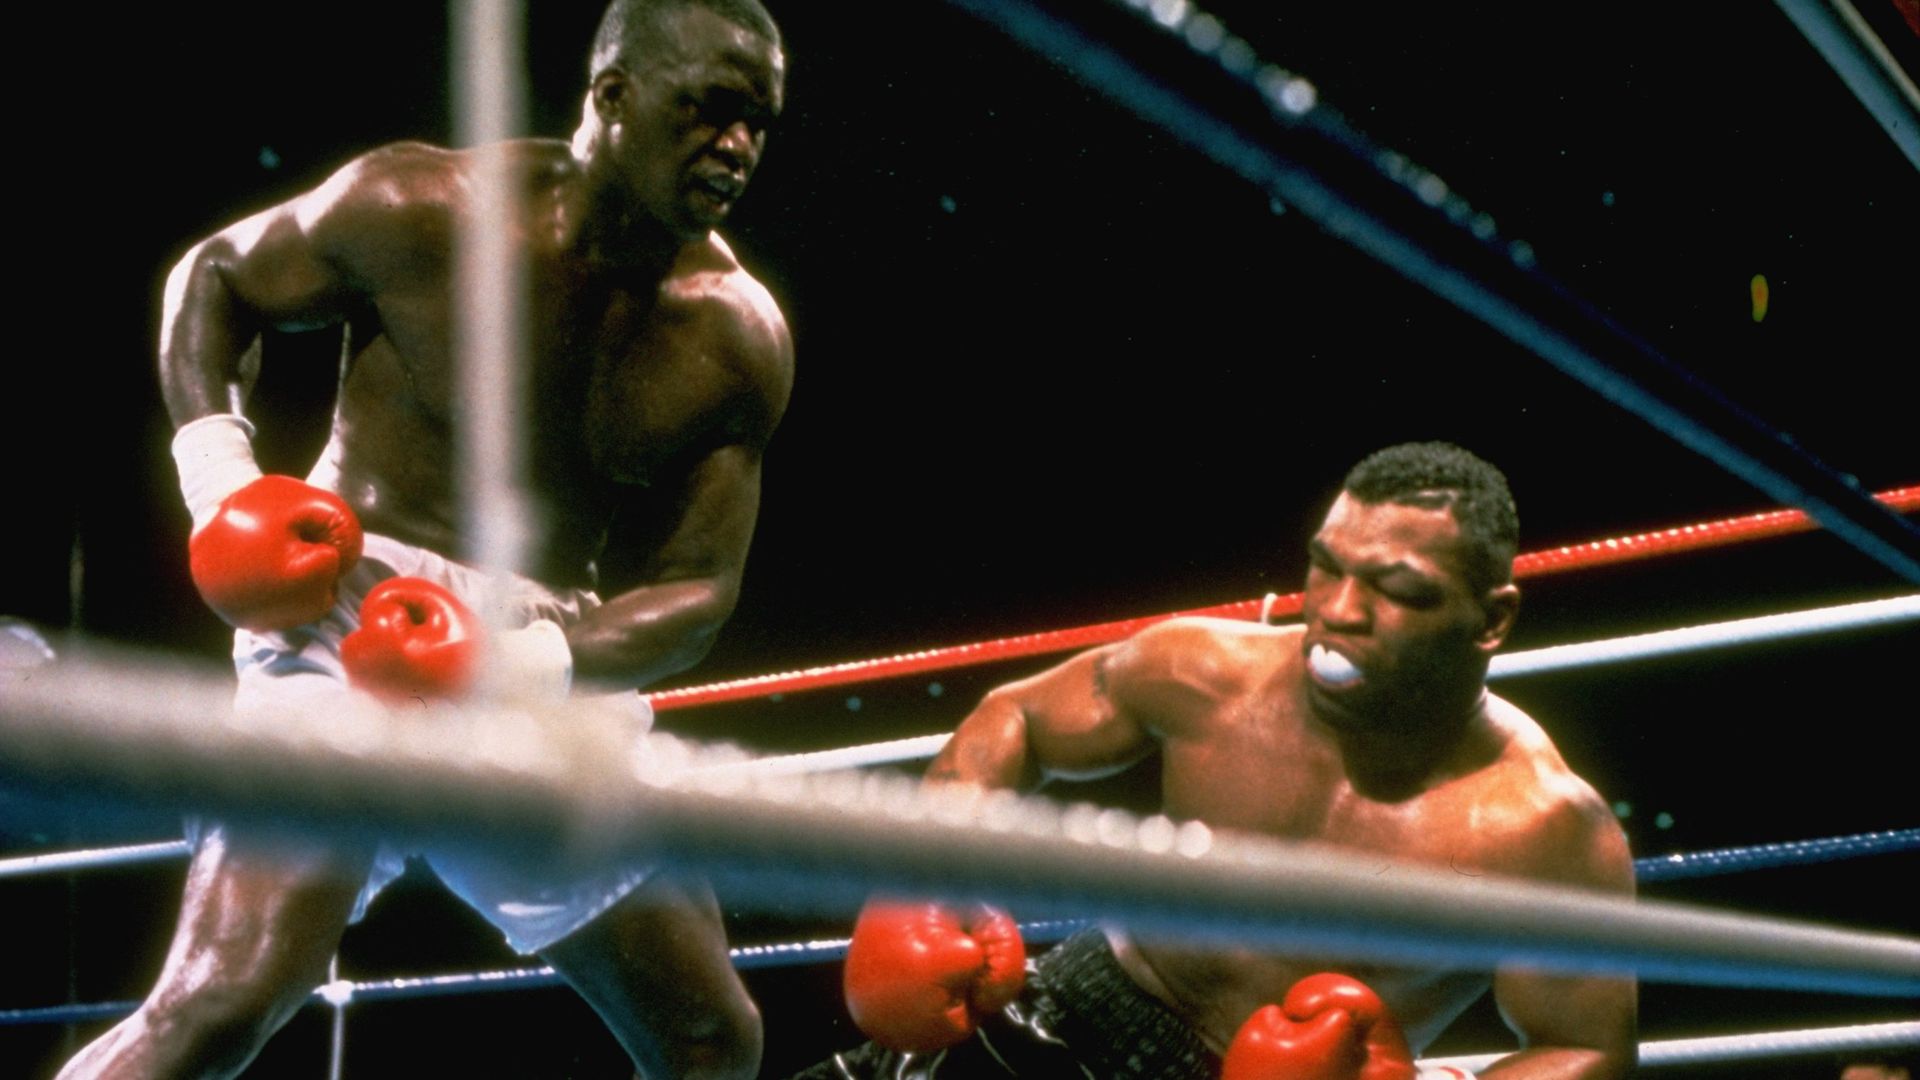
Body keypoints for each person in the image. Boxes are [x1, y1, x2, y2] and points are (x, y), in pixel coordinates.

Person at [61, 2, 790, 1077]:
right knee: (220, 1005)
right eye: (708, 110)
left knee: (710, 1039)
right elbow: (215, 277)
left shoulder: (735, 337)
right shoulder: (424, 205)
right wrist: (223, 485)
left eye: (758, 122)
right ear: (613, 98)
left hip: (531, 659)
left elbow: (696, 593)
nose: (735, 146)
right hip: (341, 609)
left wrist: (520, 658)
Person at [799, 442, 1638, 1079]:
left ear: (1491, 621)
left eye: (1398, 590)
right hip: (1077, 1006)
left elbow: (1585, 1050)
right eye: (1326, 568)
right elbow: (1015, 717)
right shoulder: (1207, 672)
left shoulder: (1542, 827)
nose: (1339, 613)